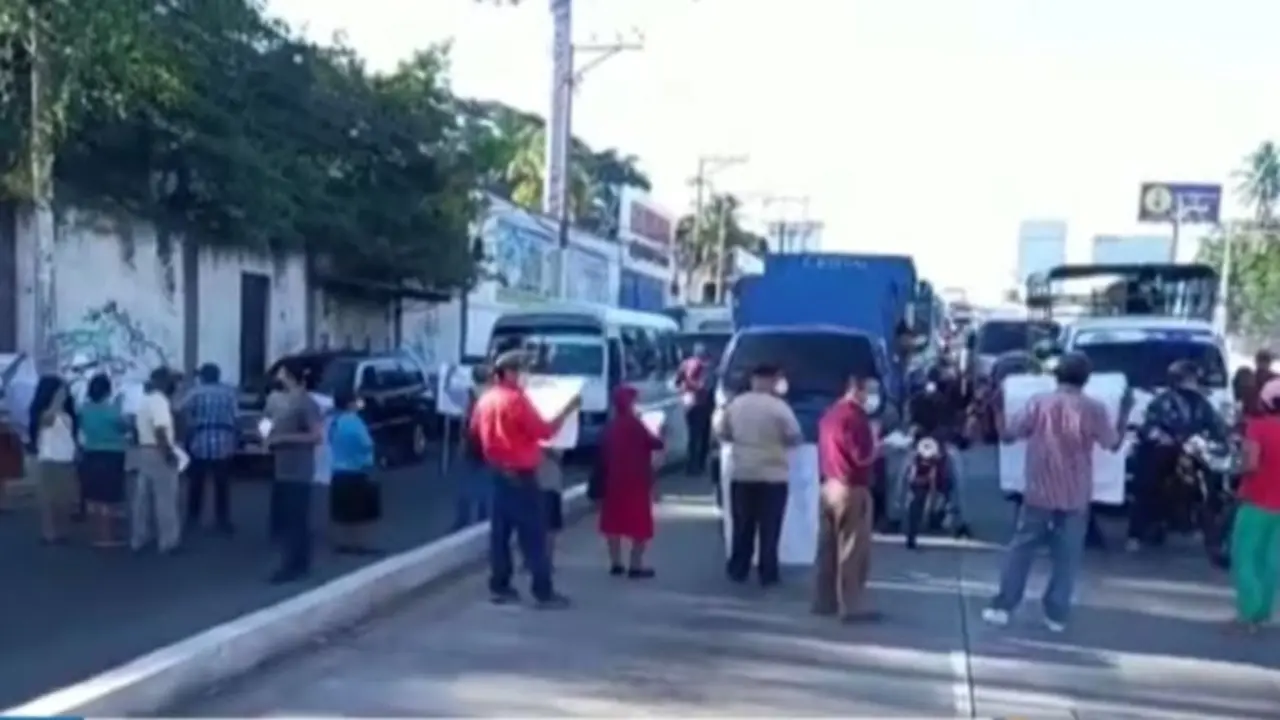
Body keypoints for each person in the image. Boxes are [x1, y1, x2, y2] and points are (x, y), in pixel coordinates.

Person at [983, 352, 1131, 632]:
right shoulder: (1094, 409)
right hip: (1075, 494)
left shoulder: (1039, 403)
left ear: (1056, 375)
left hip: (1038, 489)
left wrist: (997, 408)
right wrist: (1124, 412)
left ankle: (1003, 605)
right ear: (1086, 379)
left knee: (1022, 548)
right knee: (1068, 555)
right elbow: (1112, 444)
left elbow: (1008, 435)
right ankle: (1056, 614)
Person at [470, 350, 578, 608]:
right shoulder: (516, 400)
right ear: (508, 372)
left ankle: (500, 585)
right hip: (521, 474)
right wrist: (567, 411)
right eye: (521, 370)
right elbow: (543, 430)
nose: (525, 376)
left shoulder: (485, 400)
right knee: (534, 534)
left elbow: (474, 433)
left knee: (500, 534)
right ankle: (543, 591)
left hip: (498, 473)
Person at [715, 364, 803, 587]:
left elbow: (723, 432)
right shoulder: (779, 408)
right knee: (769, 527)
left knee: (742, 525)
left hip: (742, 473)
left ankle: (738, 568)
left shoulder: (736, 405)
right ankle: (768, 572)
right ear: (771, 381)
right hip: (773, 475)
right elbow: (794, 436)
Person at [1128, 359, 1228, 551]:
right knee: (1147, 484)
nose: (1192, 382)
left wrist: (1221, 438)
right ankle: (1136, 534)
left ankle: (1212, 532)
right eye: (1187, 378)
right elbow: (1149, 426)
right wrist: (1161, 437)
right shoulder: (1161, 401)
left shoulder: (1202, 403)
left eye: (1193, 378)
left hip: (1193, 449)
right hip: (1165, 448)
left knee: (1214, 479)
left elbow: (1216, 426)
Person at [814, 374, 881, 621]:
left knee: (827, 548)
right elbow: (861, 456)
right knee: (853, 549)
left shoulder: (830, 415)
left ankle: (824, 601)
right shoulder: (856, 418)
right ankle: (851, 606)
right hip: (852, 488)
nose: (872, 397)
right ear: (856, 389)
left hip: (828, 485)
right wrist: (879, 444)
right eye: (869, 391)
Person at [265, 361, 324, 582]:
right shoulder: (283, 401)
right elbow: (268, 422)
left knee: (296, 519)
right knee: (287, 518)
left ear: (291, 376)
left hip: (299, 469)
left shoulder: (306, 403)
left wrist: (283, 439)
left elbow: (316, 436)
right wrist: (265, 438)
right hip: (283, 467)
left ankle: (294, 565)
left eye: (282, 373)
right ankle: (297, 562)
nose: (279, 376)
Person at [1230, 377, 1280, 632]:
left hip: (1256, 501)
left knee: (1245, 557)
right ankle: (1263, 613)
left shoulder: (1258, 427)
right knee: (1271, 560)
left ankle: (1247, 613)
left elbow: (1250, 463)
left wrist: (1235, 469)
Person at [598, 385, 664, 577]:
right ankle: (635, 564)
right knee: (639, 524)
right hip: (636, 481)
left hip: (613, 481)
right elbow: (655, 443)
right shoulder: (635, 425)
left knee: (613, 522)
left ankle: (615, 562)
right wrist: (659, 431)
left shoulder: (611, 426)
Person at [179, 362, 239, 534]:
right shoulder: (229, 392)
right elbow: (236, 417)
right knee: (222, 484)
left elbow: (179, 408)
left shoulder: (196, 392)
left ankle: (192, 518)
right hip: (224, 441)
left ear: (203, 377)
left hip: (200, 440)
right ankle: (223, 520)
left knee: (196, 483)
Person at [132, 367, 183, 554]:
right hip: (158, 450)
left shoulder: (144, 400)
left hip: (144, 450)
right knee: (165, 497)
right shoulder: (160, 402)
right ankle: (168, 541)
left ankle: (139, 537)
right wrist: (169, 453)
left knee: (143, 497)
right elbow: (160, 430)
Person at [78, 373, 129, 547]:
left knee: (95, 496)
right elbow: (124, 427)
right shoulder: (112, 411)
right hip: (112, 454)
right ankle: (108, 536)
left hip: (90, 452)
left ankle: (97, 533)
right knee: (110, 496)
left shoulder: (84, 410)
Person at [328, 388, 380, 554]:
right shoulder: (356, 422)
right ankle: (359, 545)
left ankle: (342, 543)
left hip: (338, 470)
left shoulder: (335, 421)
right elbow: (366, 444)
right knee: (360, 512)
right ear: (350, 403)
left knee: (342, 511)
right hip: (356, 470)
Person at [30, 375, 78, 543]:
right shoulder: (44, 412)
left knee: (64, 499)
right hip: (49, 458)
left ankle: (62, 531)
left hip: (66, 457)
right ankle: (49, 533)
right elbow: (47, 420)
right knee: (49, 499)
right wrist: (57, 399)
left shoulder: (68, 412)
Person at [453, 364, 493, 529]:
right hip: (487, 445)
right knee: (484, 484)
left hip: (472, 443)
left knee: (466, 483)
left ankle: (463, 520)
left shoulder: (471, 395)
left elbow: (465, 422)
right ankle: (482, 518)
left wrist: (461, 444)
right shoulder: (493, 395)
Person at [676, 343, 713, 475]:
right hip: (702, 403)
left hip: (688, 403)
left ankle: (691, 465)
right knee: (703, 435)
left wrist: (684, 388)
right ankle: (699, 465)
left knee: (693, 435)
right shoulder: (704, 366)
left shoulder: (684, 364)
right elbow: (705, 386)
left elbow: (677, 381)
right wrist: (698, 386)